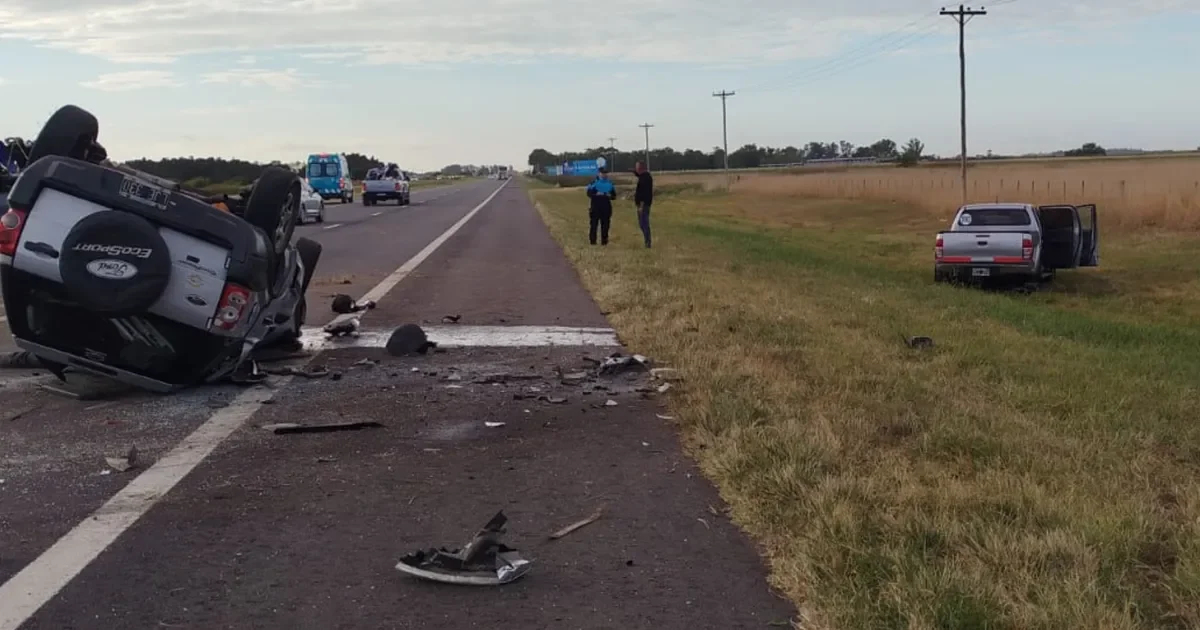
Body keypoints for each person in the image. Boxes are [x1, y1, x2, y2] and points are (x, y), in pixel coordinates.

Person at [585, 167, 617, 245]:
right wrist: (596, 194)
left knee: (605, 225)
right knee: (594, 224)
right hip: (595, 206)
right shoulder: (593, 183)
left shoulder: (610, 184)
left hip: (606, 207)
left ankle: (604, 241)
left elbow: (614, 196)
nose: (604, 175)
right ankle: (593, 241)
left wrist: (609, 196)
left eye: (605, 173)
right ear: (599, 174)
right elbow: (588, 193)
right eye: (602, 173)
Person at [633, 161, 654, 248]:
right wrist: (634, 172)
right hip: (643, 204)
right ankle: (647, 241)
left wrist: (641, 205)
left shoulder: (644, 178)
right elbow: (639, 175)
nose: (635, 168)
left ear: (640, 168)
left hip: (643, 204)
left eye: (636, 167)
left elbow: (644, 193)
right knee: (642, 223)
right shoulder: (644, 176)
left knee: (643, 223)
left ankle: (647, 242)